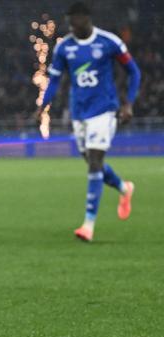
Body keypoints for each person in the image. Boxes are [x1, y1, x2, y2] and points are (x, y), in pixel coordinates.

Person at [37, 2, 140, 242]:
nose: (72, 24)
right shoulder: (64, 48)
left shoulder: (108, 42)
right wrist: (43, 106)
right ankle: (125, 189)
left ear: (86, 18)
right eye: (69, 20)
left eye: (75, 20)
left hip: (104, 110)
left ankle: (88, 225)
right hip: (79, 112)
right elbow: (54, 80)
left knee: (95, 162)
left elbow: (134, 71)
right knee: (93, 164)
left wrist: (128, 103)